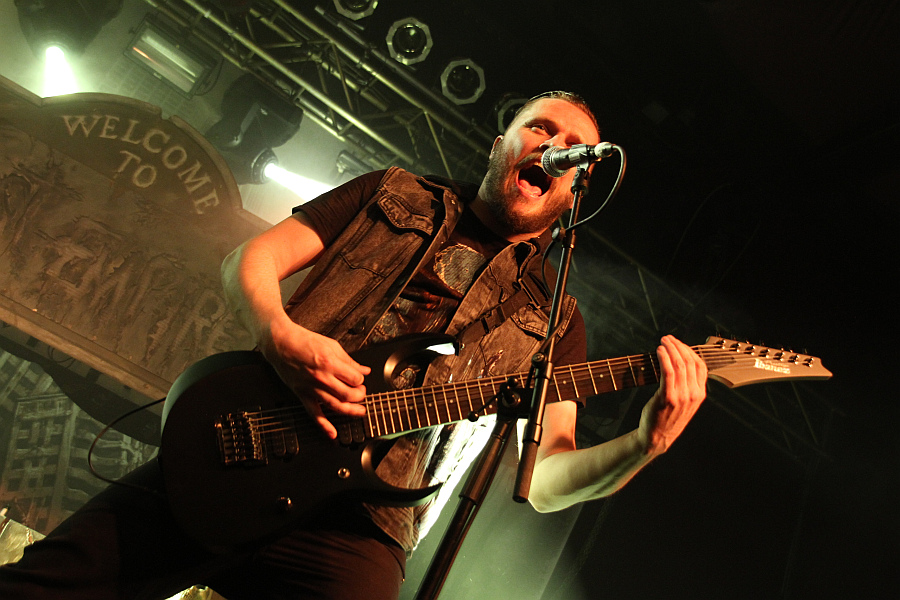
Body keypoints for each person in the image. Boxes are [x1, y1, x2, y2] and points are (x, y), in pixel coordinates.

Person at [0, 91, 707, 600]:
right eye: (539, 128)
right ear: (502, 145)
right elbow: (250, 261)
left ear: (577, 187)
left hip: (364, 522)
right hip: (246, 442)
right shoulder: (391, 193)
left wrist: (642, 446)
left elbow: (545, 483)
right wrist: (279, 335)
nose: (553, 145)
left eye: (570, 145)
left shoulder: (555, 319)